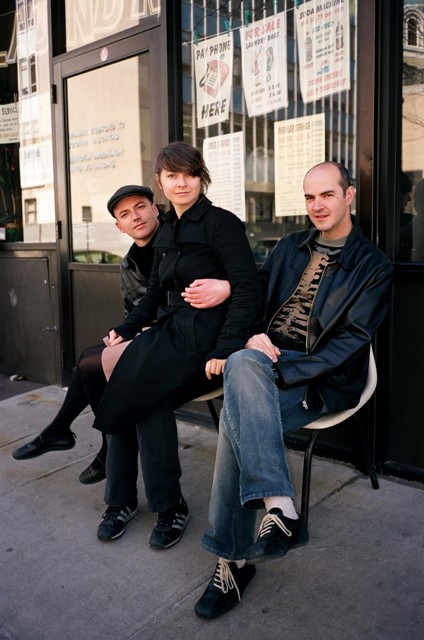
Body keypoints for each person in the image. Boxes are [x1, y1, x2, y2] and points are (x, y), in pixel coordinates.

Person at [194, 161, 393, 620]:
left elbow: (349, 342)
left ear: (349, 196)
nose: (317, 206)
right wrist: (252, 334)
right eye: (309, 197)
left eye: (327, 195)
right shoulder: (289, 246)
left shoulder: (373, 266)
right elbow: (256, 297)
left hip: (320, 378)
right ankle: (279, 507)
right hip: (264, 362)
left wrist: (283, 371)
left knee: (235, 421)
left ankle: (232, 561)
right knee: (244, 362)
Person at [91, 141, 261, 549]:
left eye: (188, 174)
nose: (181, 183)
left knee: (131, 385)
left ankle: (137, 501)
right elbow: (154, 292)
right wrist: (127, 327)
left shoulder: (222, 223)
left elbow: (248, 288)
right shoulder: (168, 227)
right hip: (171, 331)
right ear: (160, 182)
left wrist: (226, 347)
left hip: (206, 337)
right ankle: (141, 503)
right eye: (172, 176)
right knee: (139, 392)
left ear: (201, 177)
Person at [12, 185, 230, 488]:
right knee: (93, 360)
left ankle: (82, 440)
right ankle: (90, 444)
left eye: (140, 207)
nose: (135, 217)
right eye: (125, 214)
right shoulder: (129, 264)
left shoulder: (181, 240)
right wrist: (126, 332)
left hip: (187, 341)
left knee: (92, 363)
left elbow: (213, 290)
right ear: (119, 226)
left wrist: (225, 288)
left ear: (155, 209)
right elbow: (138, 309)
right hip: (155, 337)